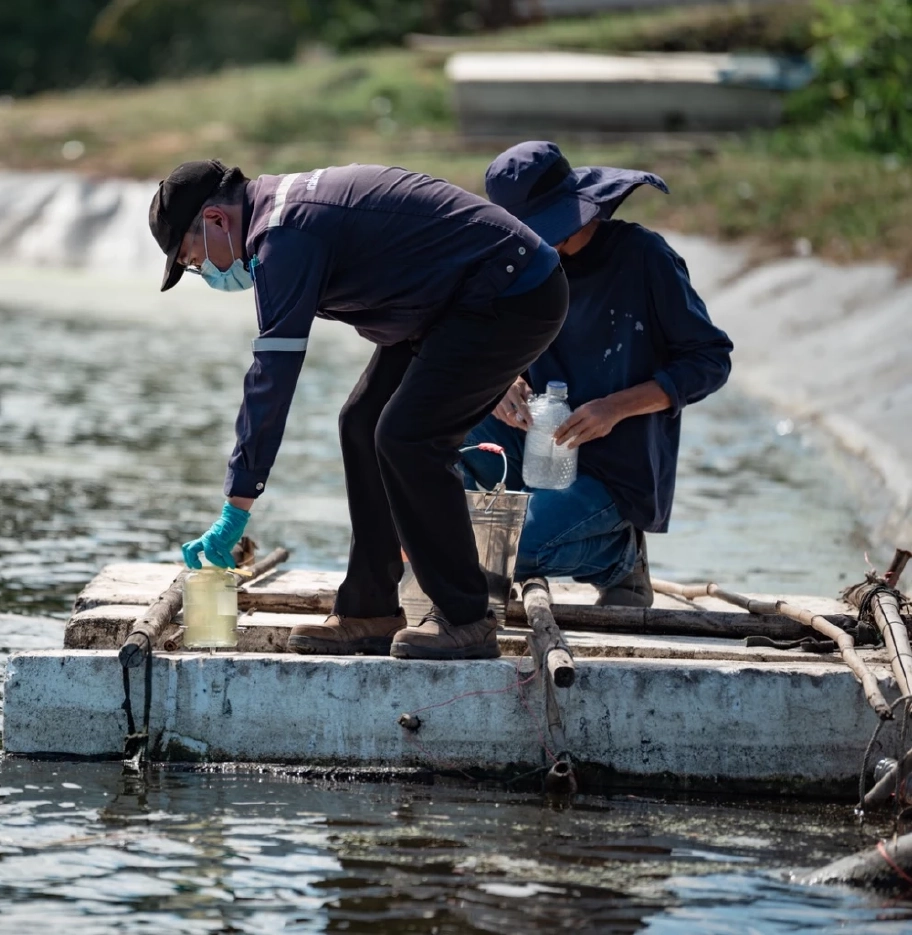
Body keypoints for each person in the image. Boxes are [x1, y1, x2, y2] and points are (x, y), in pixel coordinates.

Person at [147, 160, 568, 660]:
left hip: (512, 288)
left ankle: (466, 616)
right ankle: (370, 608)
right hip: (450, 302)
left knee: (407, 437)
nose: (205, 271)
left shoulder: (283, 235)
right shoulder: (280, 218)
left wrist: (236, 506)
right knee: (361, 421)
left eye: (194, 261)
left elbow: (271, 380)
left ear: (216, 219)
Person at [462, 141, 733, 605]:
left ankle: (620, 557)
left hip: (613, 465)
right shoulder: (521, 265)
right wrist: (504, 383)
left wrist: (614, 407)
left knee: (515, 547)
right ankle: (486, 558)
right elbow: (483, 344)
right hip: (537, 440)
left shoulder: (645, 258)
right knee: (440, 436)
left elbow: (710, 360)